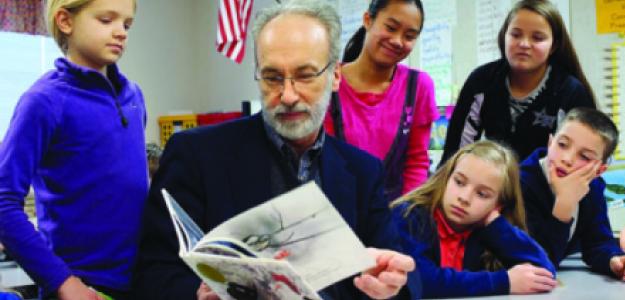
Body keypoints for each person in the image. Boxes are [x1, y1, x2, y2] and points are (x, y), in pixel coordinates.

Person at [133, 1, 420, 299]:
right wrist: (198, 293)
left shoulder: (363, 172)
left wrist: (391, 284)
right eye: (272, 77)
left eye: (305, 75)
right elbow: (152, 274)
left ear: (335, 76)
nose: (288, 95)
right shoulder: (197, 155)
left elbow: (399, 272)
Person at [0, 0, 147, 299]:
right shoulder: (43, 102)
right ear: (66, 21)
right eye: (107, 20)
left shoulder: (134, 96)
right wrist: (63, 282)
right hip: (80, 286)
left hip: (140, 280)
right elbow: (2, 202)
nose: (120, 32)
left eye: (127, 24)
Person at [392, 140, 556, 297]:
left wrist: (498, 226)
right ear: (447, 178)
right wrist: (503, 281)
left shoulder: (485, 228)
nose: (464, 198)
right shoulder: (410, 215)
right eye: (459, 182)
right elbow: (419, 280)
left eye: (482, 194)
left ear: (498, 205)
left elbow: (544, 274)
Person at [441, 0, 596, 164]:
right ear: (504, 36)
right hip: (494, 184)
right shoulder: (481, 81)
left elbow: (582, 163)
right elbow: (455, 154)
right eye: (515, 35)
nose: (524, 44)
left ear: (554, 46)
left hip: (549, 186)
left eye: (537, 38)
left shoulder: (570, 92)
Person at [324, 0, 438, 201]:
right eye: (391, 28)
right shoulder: (328, 80)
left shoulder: (418, 86)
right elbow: (323, 160)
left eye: (409, 36)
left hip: (394, 214)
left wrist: (404, 216)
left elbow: (416, 162)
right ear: (368, 20)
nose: (397, 41)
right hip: (339, 209)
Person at [520, 107, 625, 282]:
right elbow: (536, 262)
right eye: (562, 145)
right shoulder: (521, 184)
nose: (567, 159)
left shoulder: (593, 188)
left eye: (585, 157)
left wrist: (614, 260)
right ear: (550, 142)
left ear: (599, 170)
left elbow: (597, 242)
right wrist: (564, 204)